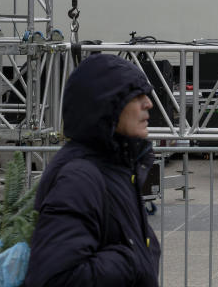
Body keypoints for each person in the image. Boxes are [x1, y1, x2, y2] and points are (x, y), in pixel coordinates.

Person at [25, 54, 160, 286]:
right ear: (107, 105)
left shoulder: (118, 168)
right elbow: (55, 278)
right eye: (136, 96)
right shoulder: (79, 178)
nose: (148, 103)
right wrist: (134, 259)